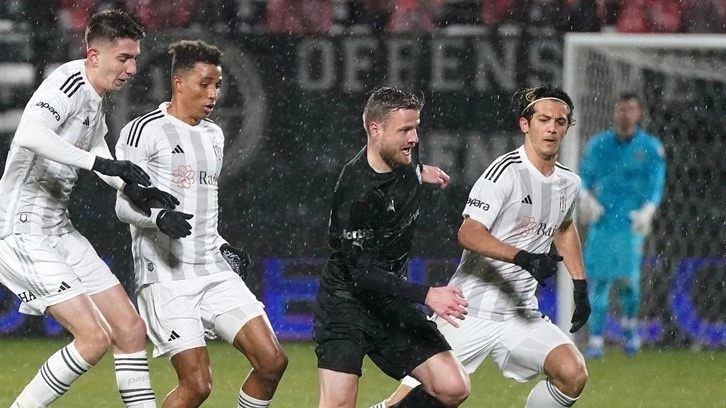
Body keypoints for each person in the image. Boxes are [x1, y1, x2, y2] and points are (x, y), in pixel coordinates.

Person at [373, 85, 591, 408]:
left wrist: (580, 285)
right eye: (544, 120)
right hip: (469, 310)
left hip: (520, 314)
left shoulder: (568, 183)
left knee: (573, 373)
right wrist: (522, 257)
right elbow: (469, 233)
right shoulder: (504, 173)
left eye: (560, 122)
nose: (552, 128)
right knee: (412, 402)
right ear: (525, 124)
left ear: (567, 128)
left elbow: (565, 227)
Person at [0, 9, 172, 408]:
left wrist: (129, 186)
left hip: (58, 229)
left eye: (134, 58)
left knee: (130, 329)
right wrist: (100, 165)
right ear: (94, 56)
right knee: (93, 338)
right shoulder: (68, 83)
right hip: (20, 229)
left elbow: (94, 145)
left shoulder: (95, 96)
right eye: (123, 58)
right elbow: (29, 134)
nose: (132, 69)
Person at [114, 39, 288, 408]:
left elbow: (202, 207)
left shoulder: (214, 135)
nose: (213, 94)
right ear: (178, 83)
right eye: (204, 84)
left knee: (272, 362)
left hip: (213, 269)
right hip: (166, 278)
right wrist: (159, 217)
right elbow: (122, 207)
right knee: (197, 386)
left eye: (218, 85)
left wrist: (222, 246)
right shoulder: (142, 131)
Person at [314, 86, 470, 408]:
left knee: (453, 387)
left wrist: (420, 171)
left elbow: (404, 167)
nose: (414, 138)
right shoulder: (357, 191)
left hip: (389, 302)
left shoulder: (404, 156)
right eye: (405, 130)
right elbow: (361, 275)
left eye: (416, 128)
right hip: (346, 304)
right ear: (375, 129)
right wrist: (427, 294)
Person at [578, 92, 666, 359]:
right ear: (614, 112)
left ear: (638, 113)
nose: (625, 114)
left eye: (630, 109)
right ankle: (595, 340)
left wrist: (648, 211)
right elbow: (583, 178)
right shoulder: (599, 145)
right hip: (603, 223)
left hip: (630, 224)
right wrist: (586, 198)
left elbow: (656, 184)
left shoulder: (650, 147)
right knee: (599, 281)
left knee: (628, 282)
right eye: (621, 109)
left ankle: (629, 328)